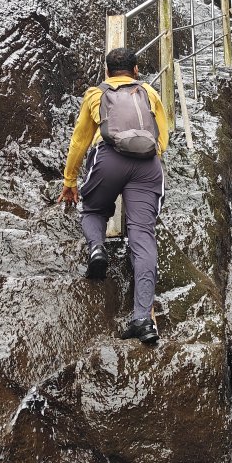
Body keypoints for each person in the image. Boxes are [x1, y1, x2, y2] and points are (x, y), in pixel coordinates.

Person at [59, 47, 169, 344]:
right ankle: (143, 320)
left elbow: (79, 141)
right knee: (142, 235)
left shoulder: (96, 95)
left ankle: (97, 249)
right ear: (136, 70)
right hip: (148, 167)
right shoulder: (148, 92)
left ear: (107, 72)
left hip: (108, 160)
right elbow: (164, 137)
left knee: (94, 211)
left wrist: (70, 180)